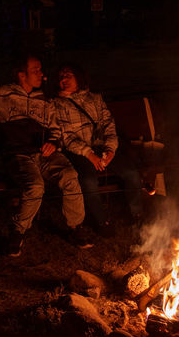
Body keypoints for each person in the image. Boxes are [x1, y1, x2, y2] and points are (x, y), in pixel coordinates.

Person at [0, 54, 89, 256]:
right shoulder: (4, 94)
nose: (41, 75)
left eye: (41, 70)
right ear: (22, 75)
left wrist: (53, 143)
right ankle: (17, 232)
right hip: (18, 155)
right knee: (35, 186)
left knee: (70, 176)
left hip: (43, 154)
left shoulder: (44, 99)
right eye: (35, 70)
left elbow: (55, 128)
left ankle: (75, 227)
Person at [52, 63, 146, 236]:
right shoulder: (57, 104)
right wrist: (89, 154)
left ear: (79, 78)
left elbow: (109, 125)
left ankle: (137, 214)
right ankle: (102, 221)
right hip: (79, 152)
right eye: (61, 77)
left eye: (68, 75)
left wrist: (110, 150)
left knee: (131, 172)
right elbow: (66, 137)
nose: (63, 80)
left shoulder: (95, 99)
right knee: (88, 180)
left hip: (101, 147)